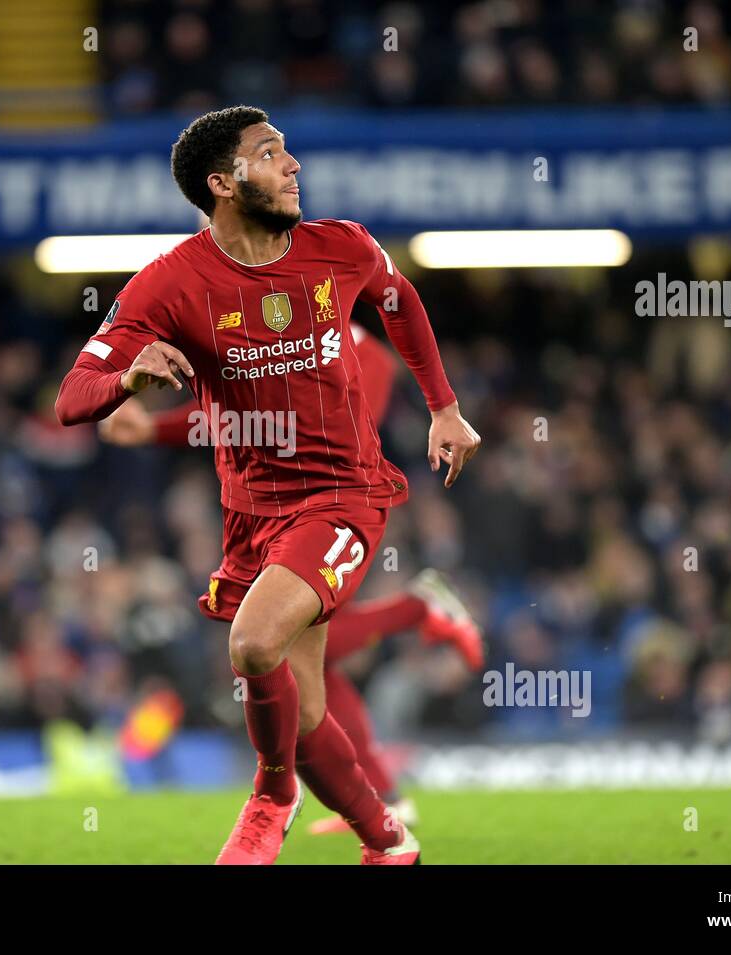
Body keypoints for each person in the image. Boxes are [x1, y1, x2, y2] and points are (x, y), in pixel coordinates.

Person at [55, 105, 481, 864]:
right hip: (254, 515)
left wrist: (444, 408)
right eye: (270, 154)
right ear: (223, 183)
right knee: (309, 705)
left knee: (254, 646)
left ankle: (271, 795)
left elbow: (399, 300)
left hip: (346, 494)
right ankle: (389, 841)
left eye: (288, 152)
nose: (293, 165)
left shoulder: (340, 246)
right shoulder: (171, 282)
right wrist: (126, 375)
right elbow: (72, 397)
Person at [97, 322, 486, 834]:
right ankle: (384, 798)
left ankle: (418, 607)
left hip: (335, 464)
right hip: (309, 457)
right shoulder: (243, 323)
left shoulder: (270, 301)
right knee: (311, 663)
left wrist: (149, 422)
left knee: (277, 640)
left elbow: (254, 411)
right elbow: (230, 414)